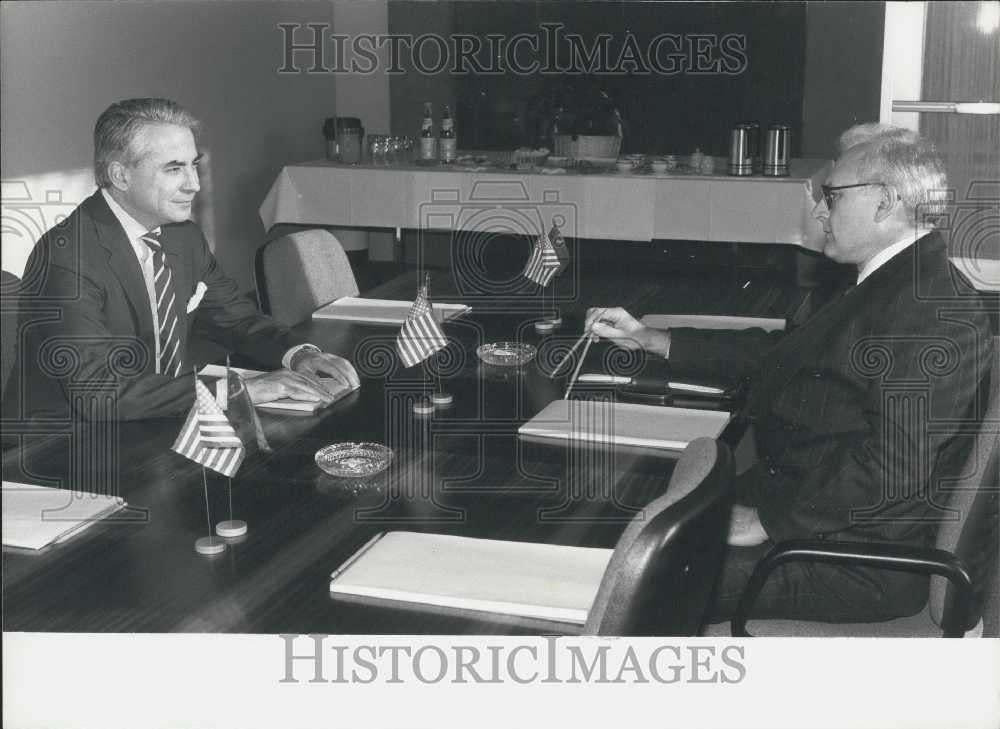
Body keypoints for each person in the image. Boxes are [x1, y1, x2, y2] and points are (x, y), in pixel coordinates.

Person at [586, 124, 995, 622]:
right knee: (612, 529)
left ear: (885, 202)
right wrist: (653, 338)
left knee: (629, 582)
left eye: (832, 196)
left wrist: (766, 522)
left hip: (851, 560)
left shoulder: (930, 310)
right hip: (808, 509)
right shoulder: (892, 280)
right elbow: (788, 354)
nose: (820, 212)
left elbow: (894, 468)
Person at [13, 98, 359, 421]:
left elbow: (236, 319)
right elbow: (97, 392)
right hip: (68, 441)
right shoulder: (66, 257)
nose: (194, 184)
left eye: (193, 166)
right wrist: (240, 390)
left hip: (159, 416)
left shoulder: (182, 236)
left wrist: (299, 355)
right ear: (120, 176)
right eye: (174, 169)